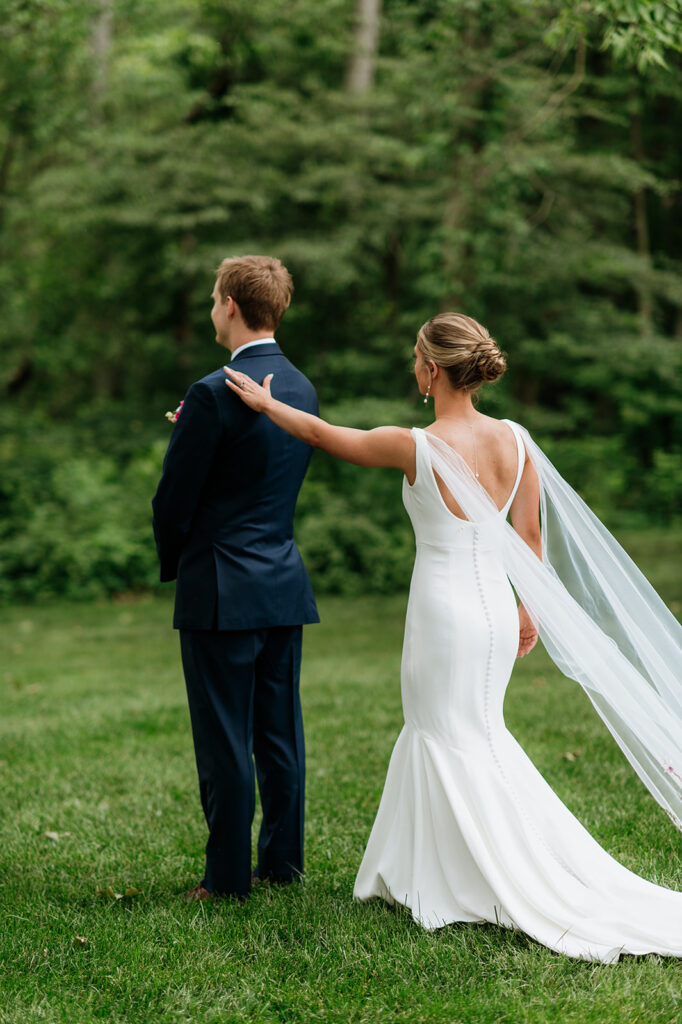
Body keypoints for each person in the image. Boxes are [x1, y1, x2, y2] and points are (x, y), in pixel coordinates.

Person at [223, 312, 682, 962]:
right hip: (496, 606)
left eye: (416, 358)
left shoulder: (417, 445)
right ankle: (434, 874)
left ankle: (497, 878)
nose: (415, 368)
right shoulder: (516, 441)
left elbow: (326, 436)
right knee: (474, 734)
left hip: (443, 612)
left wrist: (267, 403)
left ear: (431, 369)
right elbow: (528, 539)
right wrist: (528, 609)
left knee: (444, 734)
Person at [152, 255, 319, 902]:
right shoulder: (300, 387)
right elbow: (256, 466)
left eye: (214, 297)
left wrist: (177, 564)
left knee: (224, 737)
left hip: (220, 588)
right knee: (279, 733)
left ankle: (225, 879)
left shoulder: (210, 391)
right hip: (282, 580)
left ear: (229, 305)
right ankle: (282, 862)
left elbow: (173, 503)